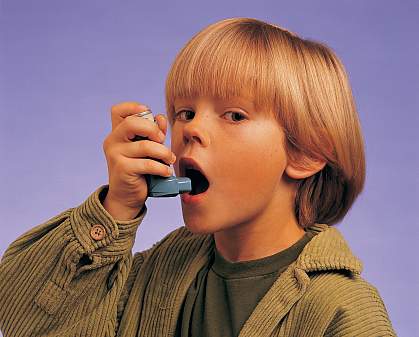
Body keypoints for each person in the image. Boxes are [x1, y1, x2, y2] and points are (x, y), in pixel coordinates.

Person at [0, 17, 396, 337]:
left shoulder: (340, 312)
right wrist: (115, 209)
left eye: (234, 115)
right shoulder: (155, 274)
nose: (190, 129)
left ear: (305, 153)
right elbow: (20, 317)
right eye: (185, 112)